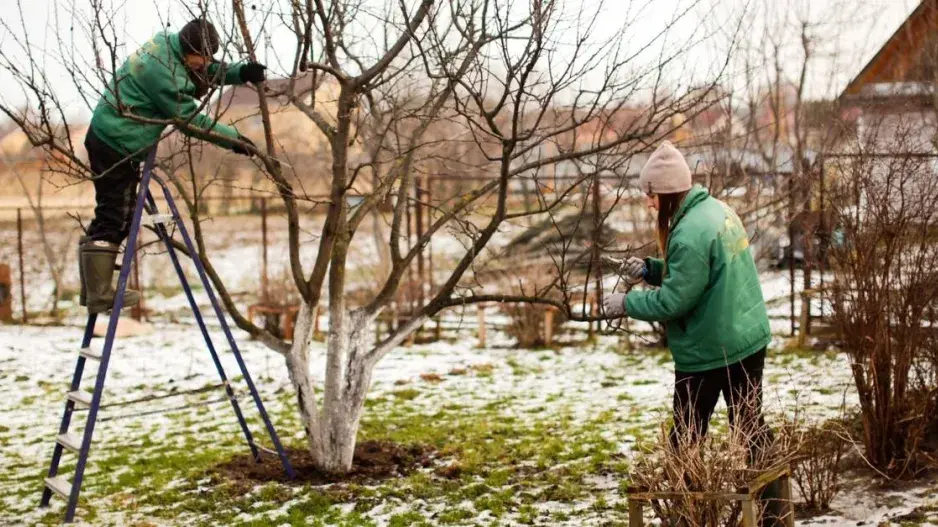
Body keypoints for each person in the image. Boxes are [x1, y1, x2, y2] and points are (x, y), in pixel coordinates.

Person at [603, 141, 782, 523]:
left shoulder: (687, 234)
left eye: (651, 195)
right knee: (750, 427)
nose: (648, 203)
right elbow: (698, 274)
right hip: (745, 338)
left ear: (668, 193)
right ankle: (775, 511)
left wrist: (626, 303)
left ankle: (687, 515)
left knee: (685, 438)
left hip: (710, 349)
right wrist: (650, 269)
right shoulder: (716, 210)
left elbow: (674, 301)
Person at [80, 19, 266, 314]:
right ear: (188, 49)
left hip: (111, 135)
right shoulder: (163, 75)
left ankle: (91, 288)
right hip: (116, 142)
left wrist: (240, 73)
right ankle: (99, 294)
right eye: (201, 57)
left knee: (112, 212)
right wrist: (233, 140)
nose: (205, 63)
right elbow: (190, 121)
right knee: (115, 216)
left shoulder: (170, 45)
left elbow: (202, 70)